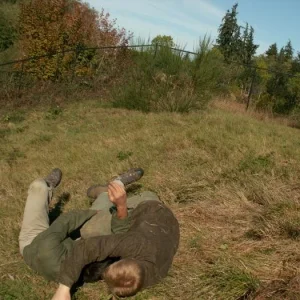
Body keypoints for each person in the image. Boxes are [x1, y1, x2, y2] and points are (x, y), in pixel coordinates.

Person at [53, 175, 180, 299]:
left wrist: (63, 287)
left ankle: (104, 193)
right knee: (100, 223)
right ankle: (116, 186)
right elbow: (85, 247)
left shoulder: (155, 276)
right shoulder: (135, 245)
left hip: (160, 222)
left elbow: (86, 247)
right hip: (149, 205)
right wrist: (64, 288)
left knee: (88, 228)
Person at [18, 168, 144, 284]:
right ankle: (104, 192)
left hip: (32, 239)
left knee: (38, 186)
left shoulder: (49, 248)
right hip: (61, 246)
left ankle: (49, 185)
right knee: (98, 226)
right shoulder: (83, 271)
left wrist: (92, 213)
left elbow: (65, 220)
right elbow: (116, 241)